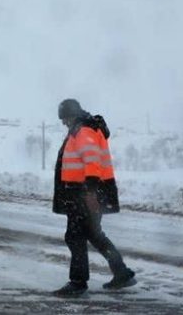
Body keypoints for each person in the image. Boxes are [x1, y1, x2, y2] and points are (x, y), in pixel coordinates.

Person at [52, 99, 136, 297]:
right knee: (94, 234)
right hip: (86, 191)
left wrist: (90, 192)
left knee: (75, 236)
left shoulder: (84, 131)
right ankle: (121, 273)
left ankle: (78, 283)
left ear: (72, 115)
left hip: (83, 193)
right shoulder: (86, 128)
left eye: (65, 118)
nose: (64, 123)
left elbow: (92, 161)